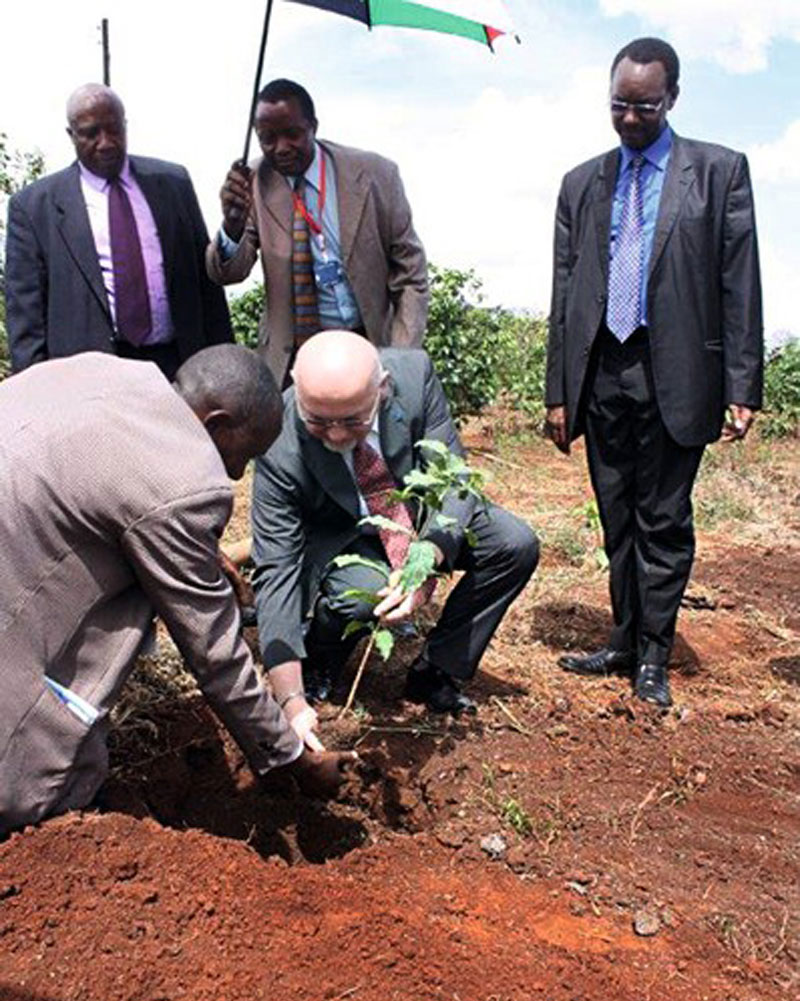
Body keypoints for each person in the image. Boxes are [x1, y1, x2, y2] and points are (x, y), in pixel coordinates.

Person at [0, 345, 352, 839]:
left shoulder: (102, 372)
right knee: (48, 796)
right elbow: (216, 655)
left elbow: (100, 488)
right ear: (217, 423)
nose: (235, 475)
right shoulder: (187, 483)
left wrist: (191, 552)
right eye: (243, 455)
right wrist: (293, 759)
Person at [544, 37, 763, 707]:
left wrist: (743, 385)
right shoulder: (581, 183)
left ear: (672, 98)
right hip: (601, 368)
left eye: (644, 105)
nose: (630, 117)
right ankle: (622, 636)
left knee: (662, 517)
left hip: (678, 372)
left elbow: (739, 282)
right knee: (617, 515)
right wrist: (557, 391)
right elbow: (564, 291)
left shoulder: (719, 172)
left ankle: (652, 656)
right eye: (619, 104)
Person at [250, 331, 539, 749]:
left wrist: (429, 557)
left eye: (352, 420)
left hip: (413, 517)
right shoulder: (278, 437)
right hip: (342, 536)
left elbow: (453, 477)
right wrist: (290, 699)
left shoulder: (414, 375)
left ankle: (437, 669)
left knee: (514, 543)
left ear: (381, 389)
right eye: (317, 421)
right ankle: (321, 659)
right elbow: (276, 567)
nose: (334, 435)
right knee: (362, 595)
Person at [207, 78, 428, 389]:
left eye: (293, 134)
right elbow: (229, 273)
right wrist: (231, 224)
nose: (281, 148)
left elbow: (411, 274)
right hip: (294, 362)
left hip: (370, 351)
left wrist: (401, 358)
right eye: (268, 138)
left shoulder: (377, 174)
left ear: (313, 126)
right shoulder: (252, 183)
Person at [4, 84, 233, 380]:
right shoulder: (34, 208)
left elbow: (207, 287)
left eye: (114, 129)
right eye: (91, 133)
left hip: (179, 368)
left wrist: (226, 367)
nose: (106, 142)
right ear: (71, 135)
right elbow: (26, 317)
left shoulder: (173, 183)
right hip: (89, 379)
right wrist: (37, 392)